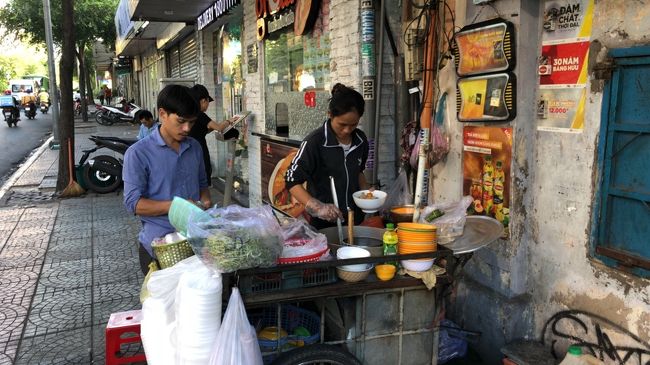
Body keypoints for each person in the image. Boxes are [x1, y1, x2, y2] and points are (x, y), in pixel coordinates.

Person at [123, 84, 211, 274]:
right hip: (160, 249)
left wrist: (205, 201)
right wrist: (176, 206)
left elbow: (203, 184)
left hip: (196, 245)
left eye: (192, 122)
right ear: (162, 114)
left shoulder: (194, 147)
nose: (187, 128)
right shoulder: (138, 153)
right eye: (181, 121)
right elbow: (133, 204)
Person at [285, 83, 370, 229]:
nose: (347, 130)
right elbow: (292, 180)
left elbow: (359, 172)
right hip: (324, 224)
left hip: (355, 219)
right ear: (330, 114)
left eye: (353, 125)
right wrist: (317, 207)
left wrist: (367, 194)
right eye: (342, 124)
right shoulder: (315, 142)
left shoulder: (360, 140)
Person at [188, 84, 236, 186]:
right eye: (207, 102)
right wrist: (230, 120)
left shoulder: (191, 113)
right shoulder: (200, 114)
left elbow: (201, 131)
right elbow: (219, 127)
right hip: (199, 149)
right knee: (203, 173)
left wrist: (211, 128)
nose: (208, 105)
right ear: (203, 100)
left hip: (192, 149)